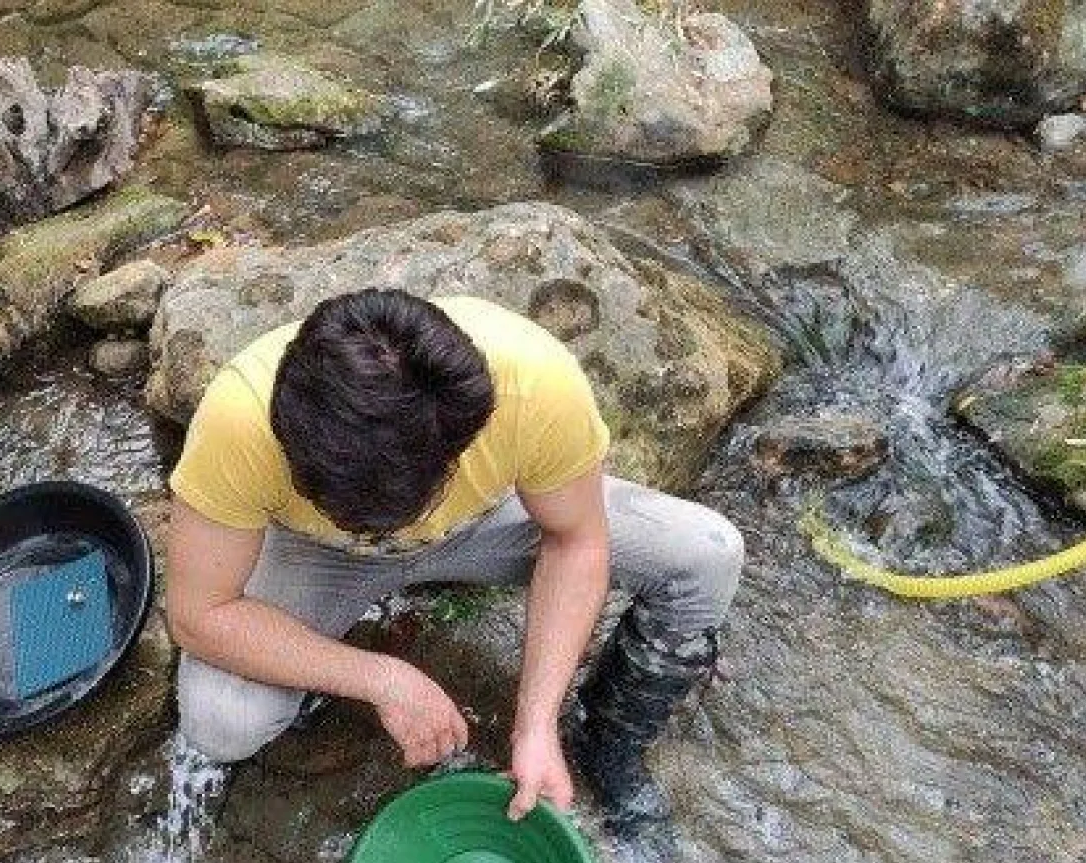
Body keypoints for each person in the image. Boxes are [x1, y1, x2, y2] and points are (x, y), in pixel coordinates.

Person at [164, 288, 743, 822]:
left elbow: (575, 540)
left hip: (484, 521)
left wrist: (537, 721)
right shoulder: (240, 419)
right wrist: (378, 678)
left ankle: (605, 734)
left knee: (707, 554)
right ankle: (321, 664)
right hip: (317, 550)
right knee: (220, 720)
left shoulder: (531, 385)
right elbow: (198, 614)